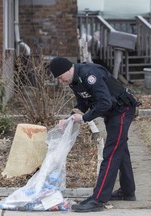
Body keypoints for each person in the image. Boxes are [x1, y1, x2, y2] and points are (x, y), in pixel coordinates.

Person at [49, 57, 139, 212]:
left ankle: (98, 199)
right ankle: (127, 191)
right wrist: (69, 119)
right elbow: (83, 103)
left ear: (68, 69)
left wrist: (84, 119)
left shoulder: (90, 75)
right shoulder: (74, 81)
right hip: (112, 112)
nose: (60, 80)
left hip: (122, 109)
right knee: (120, 148)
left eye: (60, 76)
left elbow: (105, 102)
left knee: (111, 153)